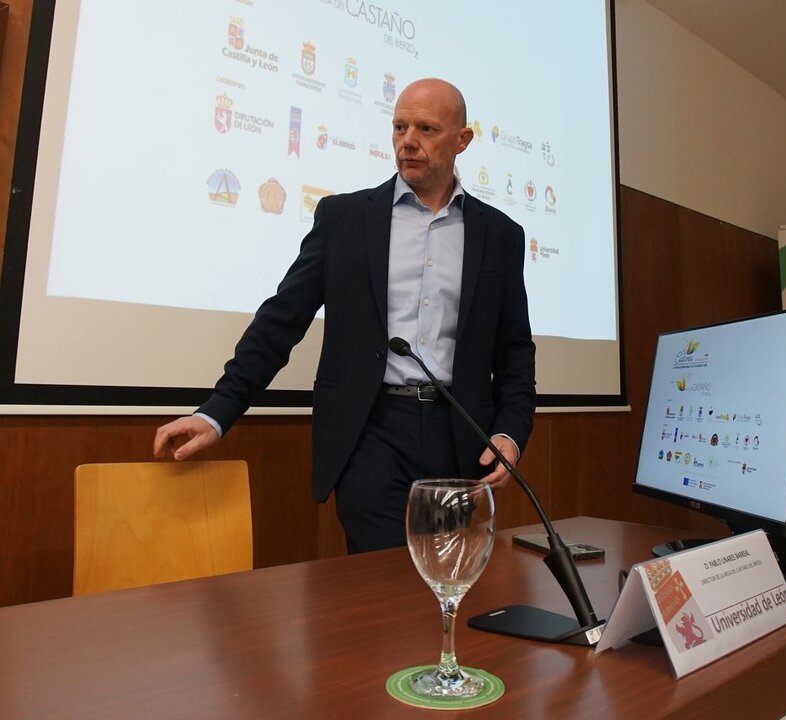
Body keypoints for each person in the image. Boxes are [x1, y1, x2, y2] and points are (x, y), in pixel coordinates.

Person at [153, 78, 536, 553]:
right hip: (371, 430)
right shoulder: (346, 219)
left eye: (426, 128)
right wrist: (217, 412)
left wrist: (510, 432)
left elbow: (515, 350)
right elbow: (282, 320)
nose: (408, 141)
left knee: (444, 585)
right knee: (380, 583)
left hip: (457, 436)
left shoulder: (500, 234)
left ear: (462, 140)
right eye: (399, 126)